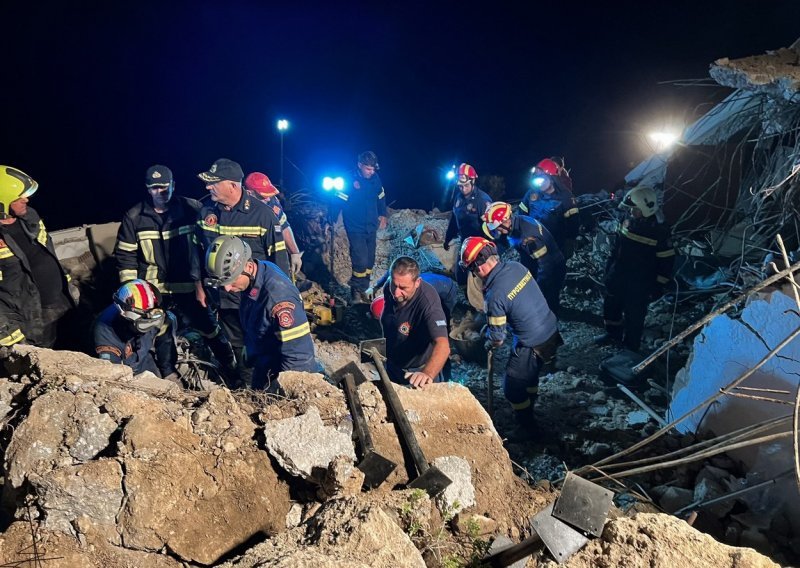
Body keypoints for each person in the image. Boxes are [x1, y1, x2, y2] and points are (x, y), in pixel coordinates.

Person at [115, 165, 236, 379]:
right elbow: (126, 259)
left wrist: (205, 283)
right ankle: (168, 373)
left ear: (172, 185)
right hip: (153, 289)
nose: (160, 193)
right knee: (161, 330)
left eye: (164, 187)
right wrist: (134, 294)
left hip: (190, 284)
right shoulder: (134, 217)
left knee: (207, 325)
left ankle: (229, 364)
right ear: (147, 188)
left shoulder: (192, 209)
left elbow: (207, 247)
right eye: (154, 188)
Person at [193, 158, 290, 388]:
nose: (208, 188)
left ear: (233, 186)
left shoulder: (263, 215)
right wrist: (199, 286)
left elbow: (279, 260)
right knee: (237, 344)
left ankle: (270, 384)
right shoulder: (206, 213)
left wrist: (283, 295)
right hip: (224, 297)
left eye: (213, 183)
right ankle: (248, 388)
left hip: (256, 299)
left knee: (264, 342)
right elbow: (197, 252)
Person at [459, 237, 562, 441]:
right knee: (530, 376)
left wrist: (486, 339)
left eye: (472, 269)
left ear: (478, 266)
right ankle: (531, 401)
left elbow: (498, 339)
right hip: (550, 328)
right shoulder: (516, 267)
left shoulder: (494, 293)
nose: (473, 273)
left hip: (531, 342)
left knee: (512, 388)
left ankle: (527, 426)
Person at [204, 236, 319, 391]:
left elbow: (298, 357)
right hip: (266, 359)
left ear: (249, 266)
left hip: (287, 369)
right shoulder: (260, 271)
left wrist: (281, 395)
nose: (228, 289)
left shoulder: (278, 298)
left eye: (231, 281)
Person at [0, 165, 77, 348]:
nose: (26, 199)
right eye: (20, 198)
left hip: (62, 301)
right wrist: (6, 332)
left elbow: (44, 251)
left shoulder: (29, 216)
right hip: (32, 319)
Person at [594, 186, 675, 352]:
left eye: (635, 209)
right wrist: (609, 270)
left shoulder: (659, 231)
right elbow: (617, 247)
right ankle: (613, 334)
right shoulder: (628, 220)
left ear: (646, 209)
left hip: (640, 282)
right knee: (611, 307)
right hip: (618, 275)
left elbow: (667, 261)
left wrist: (658, 285)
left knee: (635, 316)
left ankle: (631, 347)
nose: (631, 212)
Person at [482, 201, 566, 315]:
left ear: (506, 221)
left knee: (547, 300)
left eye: (497, 228)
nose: (497, 231)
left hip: (552, 269)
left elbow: (545, 265)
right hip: (537, 263)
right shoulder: (517, 222)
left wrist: (537, 287)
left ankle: (549, 321)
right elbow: (504, 243)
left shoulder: (527, 237)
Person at [378, 256, 450, 388]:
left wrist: (427, 373)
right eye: (394, 285)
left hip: (415, 373)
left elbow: (443, 345)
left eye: (403, 288)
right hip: (393, 365)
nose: (396, 293)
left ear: (417, 282)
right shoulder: (390, 287)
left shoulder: (428, 305)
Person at [330, 151, 388, 304]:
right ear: (360, 165)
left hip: (371, 226)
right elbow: (338, 200)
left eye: (373, 169)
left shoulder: (376, 179)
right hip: (355, 226)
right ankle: (355, 290)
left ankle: (364, 289)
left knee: (369, 261)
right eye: (368, 169)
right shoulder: (350, 180)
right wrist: (332, 217)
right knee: (360, 260)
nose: (371, 172)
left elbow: (381, 197)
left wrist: (383, 214)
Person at [93, 279, 179, 380]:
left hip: (145, 361)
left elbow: (164, 337)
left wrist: (168, 371)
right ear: (126, 317)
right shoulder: (105, 333)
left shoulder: (156, 316)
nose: (151, 324)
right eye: (144, 323)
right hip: (127, 371)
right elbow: (112, 376)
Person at [244, 171, 303, 277]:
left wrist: (295, 253)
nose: (267, 198)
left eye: (269, 194)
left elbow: (283, 225)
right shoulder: (241, 208)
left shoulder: (272, 201)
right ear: (249, 193)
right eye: (262, 196)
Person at [518, 158, 580, 258]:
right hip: (533, 244)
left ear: (552, 178)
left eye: (542, 179)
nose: (539, 183)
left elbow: (573, 222)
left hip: (555, 246)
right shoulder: (531, 194)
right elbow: (521, 214)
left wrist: (570, 241)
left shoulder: (565, 197)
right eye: (536, 179)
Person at [443, 163, 492, 284]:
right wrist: (447, 238)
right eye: (460, 186)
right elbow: (455, 220)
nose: (462, 189)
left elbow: (492, 227)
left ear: (472, 181)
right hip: (465, 241)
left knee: (483, 275)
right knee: (461, 273)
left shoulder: (483, 200)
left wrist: (489, 249)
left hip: (481, 244)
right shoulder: (458, 198)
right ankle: (463, 294)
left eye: (465, 185)